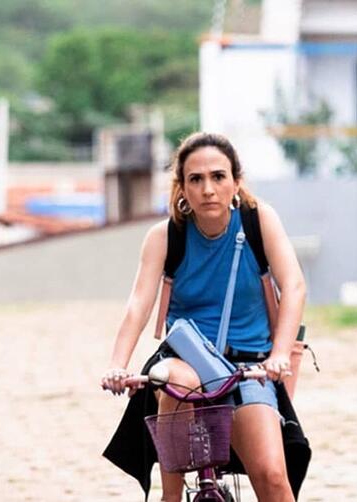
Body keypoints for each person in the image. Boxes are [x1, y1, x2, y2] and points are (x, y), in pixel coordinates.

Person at [100, 132, 309, 502]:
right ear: (182, 188)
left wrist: (279, 354)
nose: (208, 189)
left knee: (273, 477)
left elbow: (293, 286)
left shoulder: (260, 221)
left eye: (218, 176)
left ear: (236, 182)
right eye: (196, 179)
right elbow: (138, 304)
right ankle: (172, 496)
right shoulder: (165, 236)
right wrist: (117, 365)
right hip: (187, 359)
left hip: (250, 365)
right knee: (174, 378)